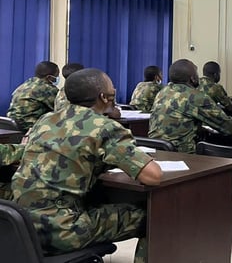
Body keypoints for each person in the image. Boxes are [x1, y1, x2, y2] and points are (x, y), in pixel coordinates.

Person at [12, 68, 162, 262]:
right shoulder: (104, 127)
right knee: (152, 215)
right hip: (63, 230)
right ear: (104, 96)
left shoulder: (46, 119)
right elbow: (153, 176)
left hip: (22, 226)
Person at [148, 59, 232, 153]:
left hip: (156, 152)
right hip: (183, 156)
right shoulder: (196, 97)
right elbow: (230, 128)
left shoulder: (162, 92)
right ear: (193, 78)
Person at [7, 61, 60, 133]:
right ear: (49, 77)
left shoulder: (26, 84)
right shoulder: (47, 89)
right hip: (29, 127)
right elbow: (60, 108)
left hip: (11, 124)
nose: (57, 78)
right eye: (56, 76)